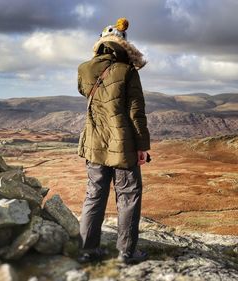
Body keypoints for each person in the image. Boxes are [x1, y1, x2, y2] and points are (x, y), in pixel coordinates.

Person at [76, 17, 150, 264]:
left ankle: (87, 250)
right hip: (124, 146)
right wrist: (142, 147)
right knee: (128, 196)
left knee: (94, 195)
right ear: (123, 47)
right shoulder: (127, 71)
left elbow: (83, 92)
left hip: (94, 144)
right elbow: (135, 112)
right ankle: (125, 253)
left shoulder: (84, 69)